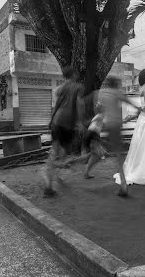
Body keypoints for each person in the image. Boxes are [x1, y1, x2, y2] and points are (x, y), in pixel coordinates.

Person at [44, 66, 85, 198]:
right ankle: (53, 174)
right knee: (63, 152)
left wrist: (51, 119)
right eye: (76, 73)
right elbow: (79, 104)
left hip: (57, 121)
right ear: (73, 75)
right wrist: (79, 122)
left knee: (56, 151)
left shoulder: (60, 89)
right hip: (68, 123)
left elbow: (56, 105)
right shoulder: (78, 87)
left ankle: (50, 182)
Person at [98, 75, 141, 197]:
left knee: (101, 151)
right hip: (116, 126)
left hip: (106, 126)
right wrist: (139, 109)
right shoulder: (117, 93)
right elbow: (130, 102)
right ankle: (123, 185)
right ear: (116, 84)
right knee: (117, 155)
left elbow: (98, 106)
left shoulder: (102, 93)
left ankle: (123, 185)